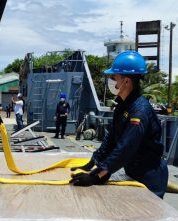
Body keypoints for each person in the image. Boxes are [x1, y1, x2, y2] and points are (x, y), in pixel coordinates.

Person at [70, 50, 168, 199]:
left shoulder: (139, 111)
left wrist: (97, 175)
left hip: (149, 176)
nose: (110, 80)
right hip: (133, 171)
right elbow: (111, 137)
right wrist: (94, 161)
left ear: (126, 81)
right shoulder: (122, 105)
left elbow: (126, 147)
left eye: (113, 77)